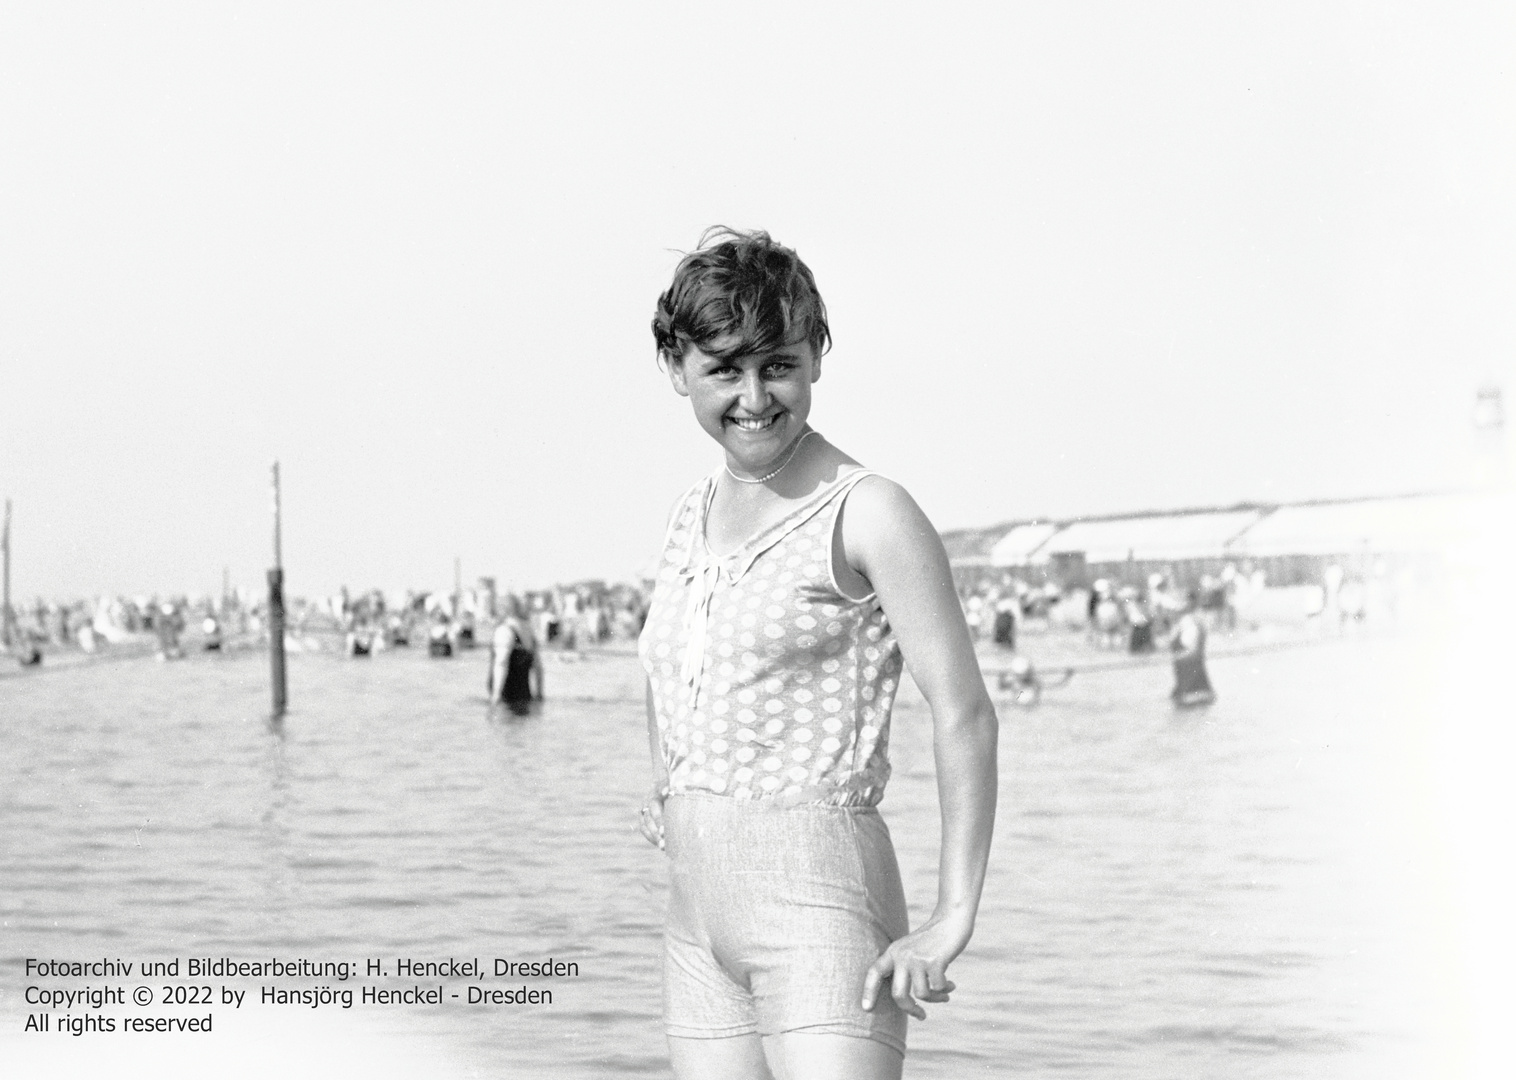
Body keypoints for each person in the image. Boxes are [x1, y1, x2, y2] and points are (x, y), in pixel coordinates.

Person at [637, 229, 999, 1080]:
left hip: (822, 909)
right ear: (677, 366)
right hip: (696, 930)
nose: (756, 396)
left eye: (780, 365)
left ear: (816, 360)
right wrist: (667, 786)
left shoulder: (868, 511)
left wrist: (953, 915)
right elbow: (667, 667)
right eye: (725, 368)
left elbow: (965, 715)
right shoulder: (687, 517)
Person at [488, 599, 541, 714]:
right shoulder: (528, 630)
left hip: (505, 698)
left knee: (503, 731)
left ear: (502, 610)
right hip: (525, 698)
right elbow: (538, 668)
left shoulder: (504, 630)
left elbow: (502, 662)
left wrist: (495, 696)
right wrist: (540, 695)